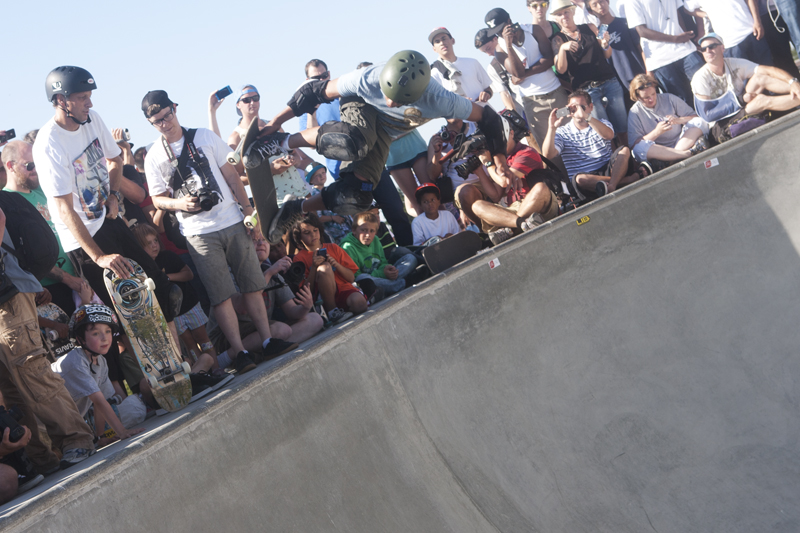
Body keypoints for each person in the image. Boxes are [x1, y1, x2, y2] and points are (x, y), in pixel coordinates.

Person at [258, 50, 512, 244]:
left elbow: (490, 120)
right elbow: (311, 93)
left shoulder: (442, 99)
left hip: (385, 135)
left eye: (398, 99)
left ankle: (295, 209)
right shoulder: (365, 79)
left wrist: (500, 163)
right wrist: (276, 123)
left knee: (355, 196)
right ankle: (279, 142)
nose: (390, 102)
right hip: (360, 107)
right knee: (352, 142)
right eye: (387, 93)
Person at [141, 90, 296, 374]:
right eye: (158, 121)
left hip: (231, 221)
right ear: (151, 124)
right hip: (197, 232)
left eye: (167, 115)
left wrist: (249, 212)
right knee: (221, 295)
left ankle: (268, 339)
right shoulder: (154, 156)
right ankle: (240, 352)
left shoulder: (202, 136)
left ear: (174, 108)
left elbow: (232, 176)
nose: (165, 123)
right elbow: (156, 198)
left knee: (252, 282)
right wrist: (179, 203)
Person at [32, 66, 182, 338]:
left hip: (109, 220)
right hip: (84, 240)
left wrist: (113, 194)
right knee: (129, 309)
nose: (89, 103)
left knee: (160, 289)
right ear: (61, 101)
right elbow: (64, 208)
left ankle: (182, 368)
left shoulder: (93, 120)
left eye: (89, 95)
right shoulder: (48, 143)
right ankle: (154, 376)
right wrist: (99, 256)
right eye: (82, 97)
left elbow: (114, 160)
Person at [0, 204, 97, 473]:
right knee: (11, 387)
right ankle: (40, 459)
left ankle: (76, 439)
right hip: (7, 294)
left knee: (32, 372)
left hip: (7, 295)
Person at [2, 140, 87, 317]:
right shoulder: (6, 204)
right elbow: (24, 256)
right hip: (48, 290)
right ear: (10, 166)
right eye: (30, 165)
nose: (36, 171)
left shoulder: (42, 190)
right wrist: (68, 279)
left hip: (80, 277)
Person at [457, 110, 562, 245]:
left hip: (535, 205)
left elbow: (504, 181)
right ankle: (521, 224)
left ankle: (511, 230)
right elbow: (495, 195)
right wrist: (480, 171)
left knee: (541, 188)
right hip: (511, 212)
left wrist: (488, 163)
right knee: (477, 206)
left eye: (499, 137)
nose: (496, 141)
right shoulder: (499, 160)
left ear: (511, 133)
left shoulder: (526, 152)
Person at [51, 305, 146, 442]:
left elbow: (99, 403)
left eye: (108, 331)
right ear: (80, 339)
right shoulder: (76, 362)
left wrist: (101, 437)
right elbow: (99, 401)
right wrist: (122, 432)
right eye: (96, 333)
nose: (104, 338)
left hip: (65, 421)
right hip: (48, 423)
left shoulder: (100, 361)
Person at [131, 223, 218, 365]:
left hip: (189, 304)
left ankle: (216, 367)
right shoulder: (141, 269)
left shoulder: (168, 256)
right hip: (172, 313)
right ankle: (204, 370)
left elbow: (188, 274)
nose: (155, 245)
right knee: (189, 343)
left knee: (202, 337)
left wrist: (167, 277)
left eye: (155, 241)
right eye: (148, 243)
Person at [691, 32, 800, 140]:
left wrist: (793, 82)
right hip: (721, 125)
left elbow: (768, 70)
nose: (708, 51)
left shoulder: (733, 63)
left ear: (722, 48)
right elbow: (707, 115)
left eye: (711, 46)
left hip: (740, 107)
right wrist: (741, 99)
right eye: (703, 49)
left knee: (759, 77)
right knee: (761, 100)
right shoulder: (700, 78)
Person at [543, 89, 649, 199]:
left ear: (591, 107)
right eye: (573, 108)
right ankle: (627, 180)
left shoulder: (602, 123)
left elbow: (609, 135)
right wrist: (551, 128)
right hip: (587, 179)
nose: (578, 111)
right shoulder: (562, 132)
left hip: (609, 169)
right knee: (580, 179)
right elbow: (548, 155)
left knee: (624, 150)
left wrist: (586, 117)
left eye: (582, 107)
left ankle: (611, 186)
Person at [486, 7, 570, 146]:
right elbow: (517, 72)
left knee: (571, 134)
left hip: (556, 94)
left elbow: (549, 59)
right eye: (497, 32)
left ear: (509, 21)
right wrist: (509, 46)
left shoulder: (534, 30)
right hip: (533, 103)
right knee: (548, 146)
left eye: (502, 28)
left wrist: (526, 73)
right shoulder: (500, 50)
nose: (501, 34)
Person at [550, 0, 630, 146]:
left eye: (566, 12)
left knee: (622, 127)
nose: (564, 16)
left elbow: (607, 53)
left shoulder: (590, 27)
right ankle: (617, 163)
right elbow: (560, 69)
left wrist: (605, 45)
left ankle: (632, 160)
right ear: (555, 18)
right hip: (586, 92)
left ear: (573, 12)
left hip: (609, 81)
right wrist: (562, 49)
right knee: (603, 131)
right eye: (559, 14)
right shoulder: (557, 40)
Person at [288, 213, 367, 324]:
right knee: (325, 268)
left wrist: (337, 265)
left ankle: (343, 311)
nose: (313, 235)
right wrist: (314, 268)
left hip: (344, 290)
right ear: (299, 238)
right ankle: (332, 312)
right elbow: (305, 291)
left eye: (315, 230)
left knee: (360, 304)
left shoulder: (334, 248)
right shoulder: (299, 258)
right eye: (307, 233)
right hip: (321, 297)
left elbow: (351, 278)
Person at [626, 0, 706, 106]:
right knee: (682, 101)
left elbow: (677, 13)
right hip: (661, 60)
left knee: (705, 87)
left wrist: (685, 37)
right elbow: (642, 31)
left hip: (685, 50)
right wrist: (675, 39)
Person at [628, 73, 709, 169]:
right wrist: (657, 132)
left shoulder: (668, 98)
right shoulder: (635, 112)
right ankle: (687, 154)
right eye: (646, 97)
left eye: (653, 94)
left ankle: (672, 159)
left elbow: (695, 117)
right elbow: (634, 144)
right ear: (637, 97)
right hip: (659, 151)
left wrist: (679, 120)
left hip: (681, 142)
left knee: (700, 121)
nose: (651, 99)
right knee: (638, 149)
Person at [340, 212, 418, 296]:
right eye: (363, 230)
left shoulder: (376, 240)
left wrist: (388, 269)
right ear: (354, 230)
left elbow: (382, 262)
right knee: (362, 278)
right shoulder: (348, 247)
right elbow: (355, 276)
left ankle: (391, 285)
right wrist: (382, 273)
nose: (367, 235)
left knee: (410, 258)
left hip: (381, 277)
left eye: (372, 231)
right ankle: (403, 283)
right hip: (367, 281)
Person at [684, 0, 773, 64]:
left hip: (751, 31)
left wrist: (757, 21)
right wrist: (706, 14)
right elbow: (687, 9)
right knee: (746, 82)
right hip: (729, 42)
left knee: (769, 72)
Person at [586, 0, 647, 91]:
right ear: (590, 12)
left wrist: (648, 70)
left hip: (641, 74)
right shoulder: (599, 34)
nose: (600, 6)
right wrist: (604, 45)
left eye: (601, 1)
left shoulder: (626, 22)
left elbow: (641, 47)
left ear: (608, 2)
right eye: (594, 5)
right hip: (621, 82)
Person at [429, 27, 494, 104]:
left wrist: (487, 94)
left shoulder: (472, 62)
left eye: (444, 38)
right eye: (437, 41)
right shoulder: (434, 73)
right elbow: (437, 102)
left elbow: (488, 89)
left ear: (452, 40)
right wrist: (457, 103)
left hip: (486, 112)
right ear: (434, 49)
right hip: (460, 115)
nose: (442, 43)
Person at [474, 29, 528, 121]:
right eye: (484, 52)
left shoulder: (520, 49)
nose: (488, 54)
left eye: (488, 49)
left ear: (496, 39)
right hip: (525, 110)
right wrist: (515, 118)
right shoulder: (493, 68)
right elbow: (504, 94)